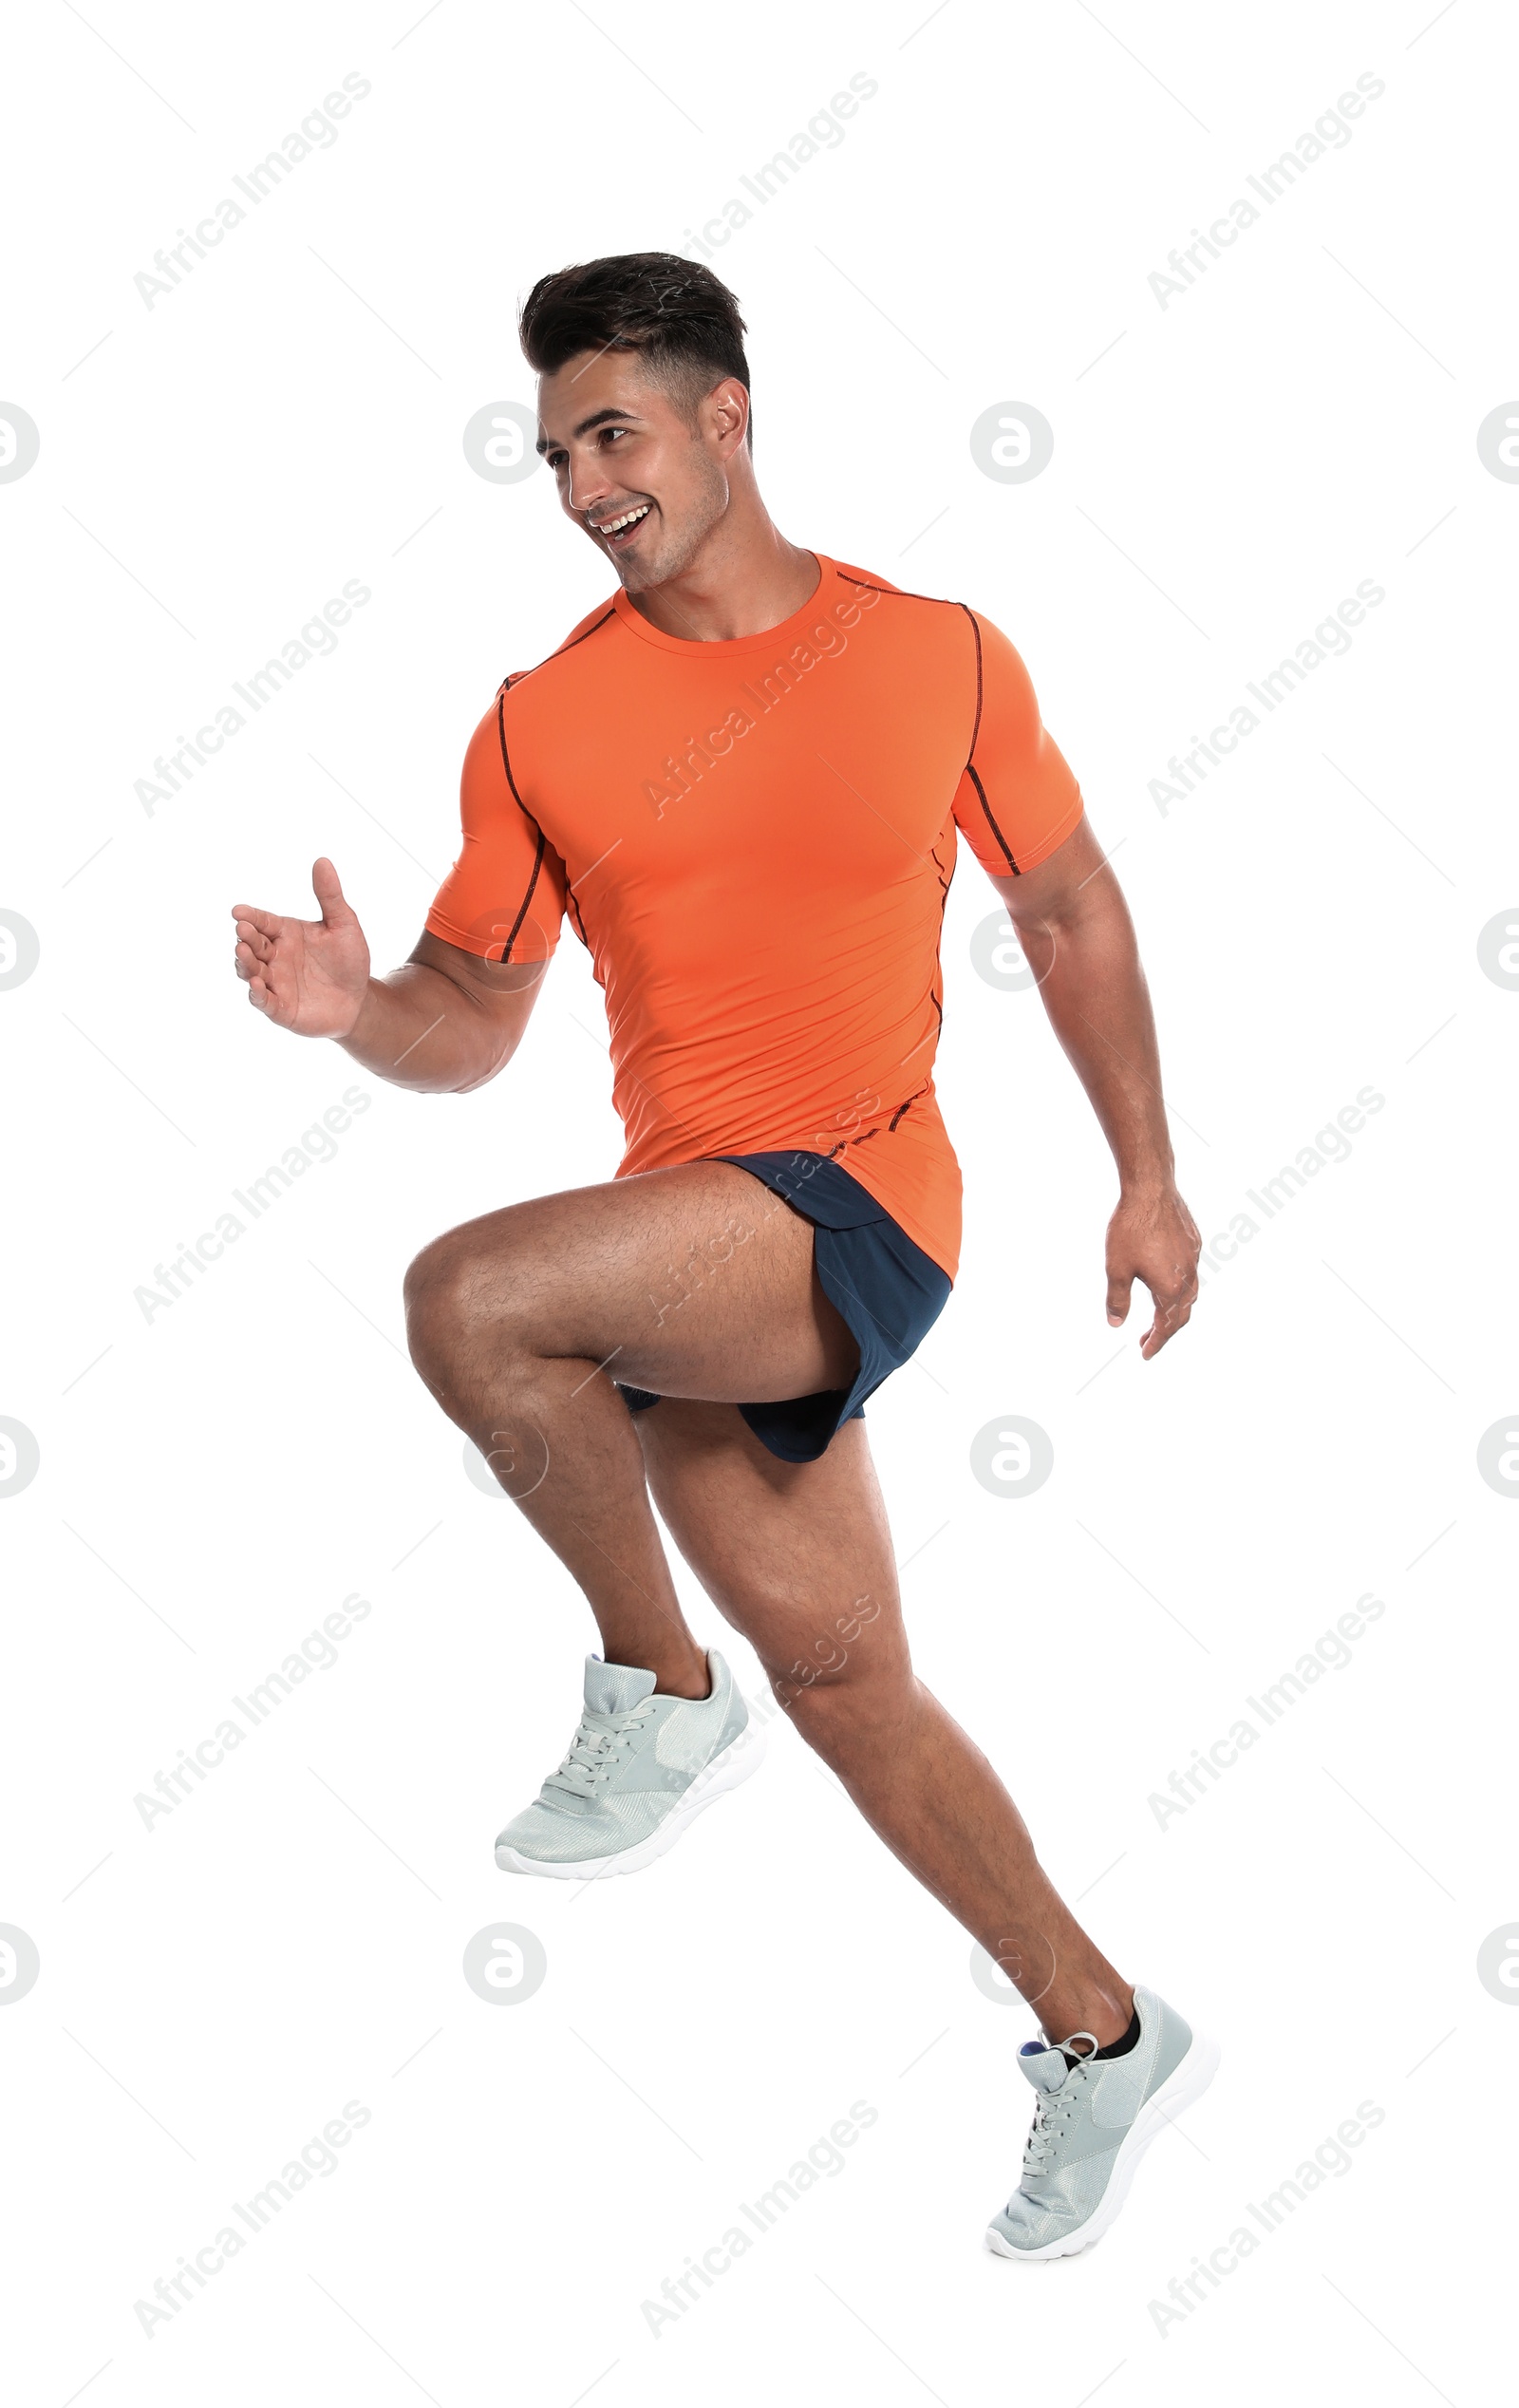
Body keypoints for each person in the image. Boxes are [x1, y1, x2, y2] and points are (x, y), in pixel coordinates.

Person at [231, 252, 1216, 2258]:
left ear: (722, 418)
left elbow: (1071, 911)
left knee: (471, 1296)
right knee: (851, 1682)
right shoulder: (539, 721)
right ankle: (1099, 2032)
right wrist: (355, 1012)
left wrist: (1144, 1173)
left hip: (862, 1197)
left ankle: (651, 1684)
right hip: (694, 1255)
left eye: (613, 431)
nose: (584, 481)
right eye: (552, 452)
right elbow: (468, 1011)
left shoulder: (931, 649)